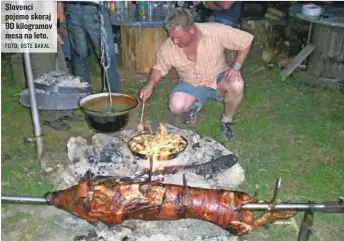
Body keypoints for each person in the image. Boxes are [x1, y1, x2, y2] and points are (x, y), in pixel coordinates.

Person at [139, 8, 253, 141]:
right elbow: (159, 67)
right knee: (176, 106)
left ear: (192, 30)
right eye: (172, 37)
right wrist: (150, 84)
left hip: (219, 80)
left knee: (236, 84)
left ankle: (226, 121)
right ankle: (195, 104)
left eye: (178, 37)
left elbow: (246, 41)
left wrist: (236, 67)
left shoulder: (215, 31)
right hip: (191, 83)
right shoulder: (168, 48)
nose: (174, 42)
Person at [57, 1, 121, 93]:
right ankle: (113, 96)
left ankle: (82, 94)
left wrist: (60, 9)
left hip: (72, 7)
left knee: (80, 57)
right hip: (93, 7)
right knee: (106, 57)